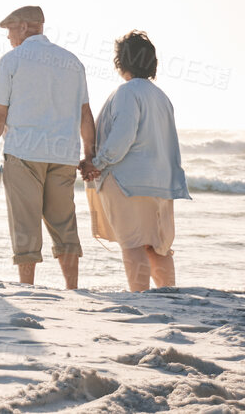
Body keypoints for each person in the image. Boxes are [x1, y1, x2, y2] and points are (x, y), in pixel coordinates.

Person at [0, 5, 95, 289]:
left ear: (22, 27)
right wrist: (89, 156)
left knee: (25, 227)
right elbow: (85, 114)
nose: (8, 39)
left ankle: (28, 288)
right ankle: (72, 289)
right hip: (64, 154)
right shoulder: (72, 62)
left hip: (24, 152)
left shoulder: (12, 60)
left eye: (9, 32)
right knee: (64, 225)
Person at [81, 30, 190, 292]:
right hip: (162, 181)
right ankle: (168, 296)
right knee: (158, 246)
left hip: (128, 181)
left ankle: (139, 297)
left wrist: (98, 162)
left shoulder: (127, 93)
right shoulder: (161, 96)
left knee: (133, 244)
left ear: (121, 62)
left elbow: (123, 136)